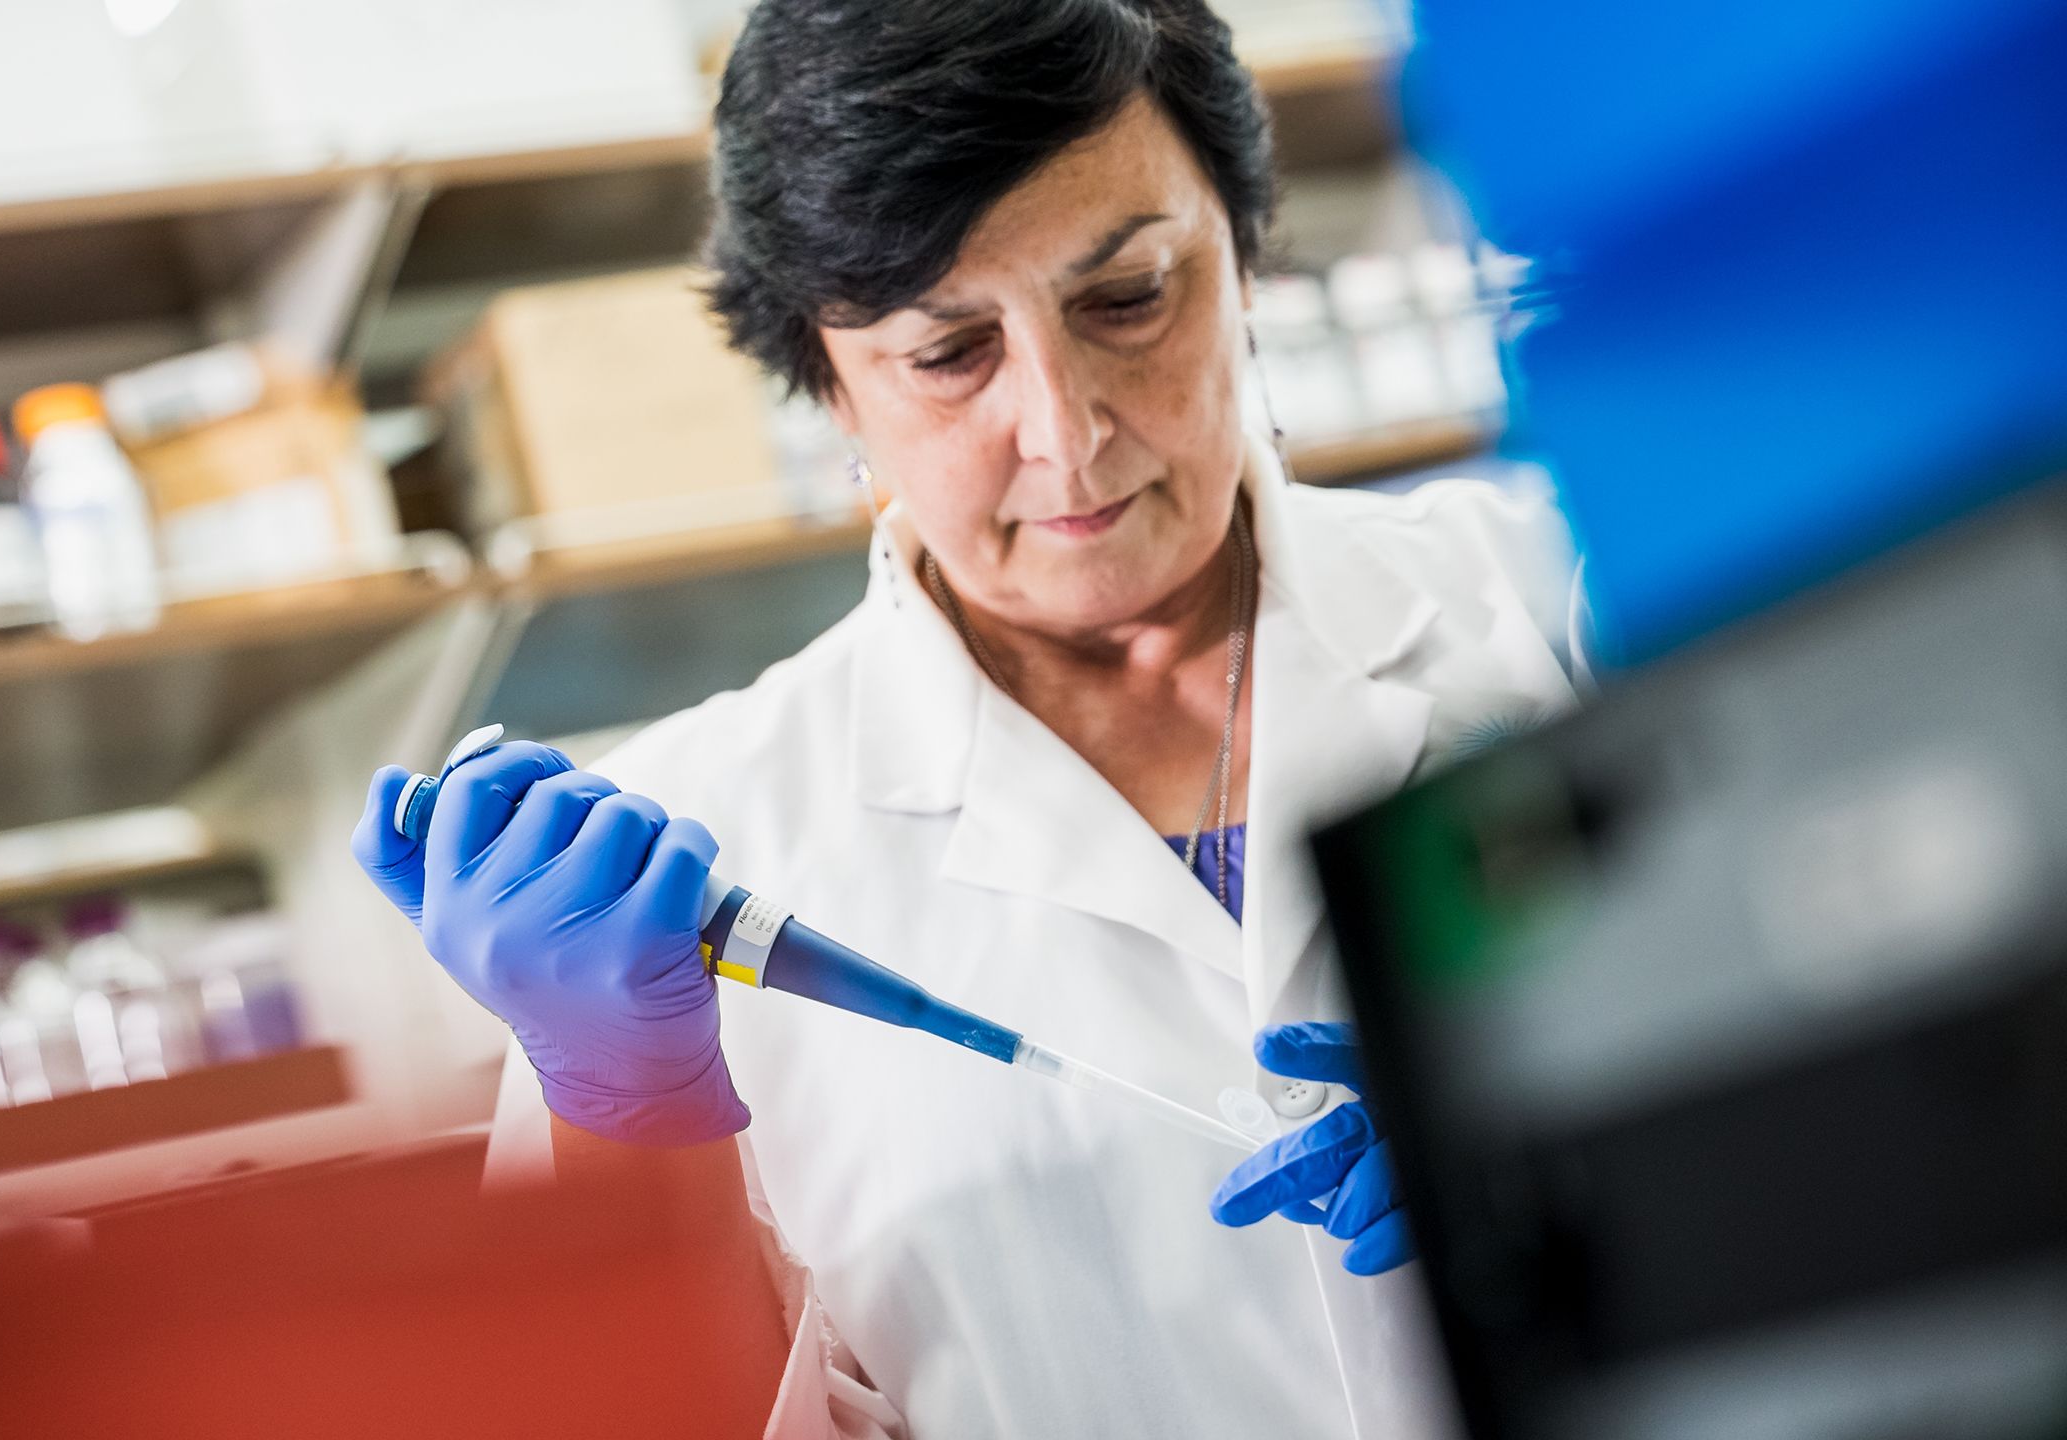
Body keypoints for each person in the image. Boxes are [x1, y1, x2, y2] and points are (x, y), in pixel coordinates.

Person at [355, 1, 1579, 1434]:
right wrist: (634, 1144)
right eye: (947, 354)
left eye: (1128, 299)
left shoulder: (1558, 601)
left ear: (1243, 254)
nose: (1066, 429)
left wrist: (1608, 1098)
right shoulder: (689, 865)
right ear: (829, 387)